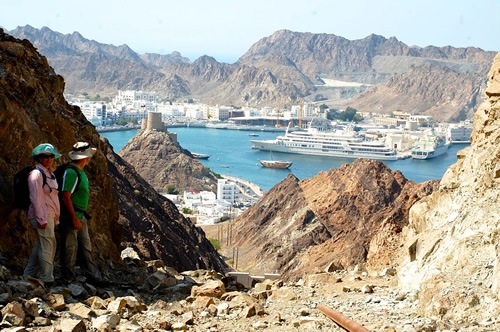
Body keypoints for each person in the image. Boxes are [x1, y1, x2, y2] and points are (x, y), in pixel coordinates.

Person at [59, 142, 102, 284]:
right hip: (73, 216)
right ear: (85, 157)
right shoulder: (72, 172)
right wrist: (73, 218)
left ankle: (94, 277)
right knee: (70, 247)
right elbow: (65, 196)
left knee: (85, 246)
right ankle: (68, 278)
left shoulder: (80, 171)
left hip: (80, 215)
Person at [24, 143, 62, 286]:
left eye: (50, 156)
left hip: (50, 215)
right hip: (42, 216)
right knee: (48, 245)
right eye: (44, 156)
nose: (48, 159)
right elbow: (35, 198)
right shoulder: (36, 174)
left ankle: (28, 274)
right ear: (38, 158)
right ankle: (47, 278)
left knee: (42, 244)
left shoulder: (49, 173)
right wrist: (41, 218)